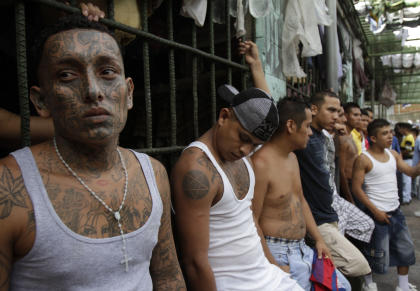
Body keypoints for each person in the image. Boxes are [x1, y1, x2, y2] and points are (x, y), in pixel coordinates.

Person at [0, 15, 186, 290]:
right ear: (41, 101)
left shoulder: (153, 173)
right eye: (67, 75)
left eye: (107, 72)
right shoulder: (10, 188)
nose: (93, 90)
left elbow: (168, 277)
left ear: (129, 92)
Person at [171, 41, 302, 291]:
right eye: (243, 139)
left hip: (267, 276)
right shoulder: (197, 169)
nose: (245, 150)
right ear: (223, 117)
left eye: (254, 145)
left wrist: (274, 266)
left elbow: (251, 222)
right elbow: (195, 262)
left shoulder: (241, 154)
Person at [251, 97, 350, 290]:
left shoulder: (292, 158)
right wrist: (271, 263)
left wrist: (319, 240)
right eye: (306, 126)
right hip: (277, 251)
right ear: (290, 125)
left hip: (302, 249)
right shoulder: (261, 163)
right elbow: (252, 218)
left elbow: (301, 201)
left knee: (342, 287)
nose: (310, 132)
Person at [294, 90, 371, 279]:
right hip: (317, 218)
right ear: (313, 109)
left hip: (330, 208)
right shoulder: (302, 138)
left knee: (366, 225)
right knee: (358, 266)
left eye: (339, 111)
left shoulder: (322, 136)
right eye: (331, 110)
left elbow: (329, 170)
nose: (337, 116)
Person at [352, 119, 419, 291]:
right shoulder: (363, 159)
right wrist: (376, 212)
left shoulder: (394, 155)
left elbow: (410, 172)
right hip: (375, 215)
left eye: (391, 132)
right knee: (374, 253)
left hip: (396, 213)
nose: (390, 136)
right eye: (385, 133)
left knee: (405, 250)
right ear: (373, 138)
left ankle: (403, 286)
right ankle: (369, 284)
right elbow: (357, 188)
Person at [326, 107, 374, 248]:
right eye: (355, 115)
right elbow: (340, 170)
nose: (358, 119)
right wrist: (349, 196)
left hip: (354, 184)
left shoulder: (350, 136)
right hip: (348, 186)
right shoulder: (341, 139)